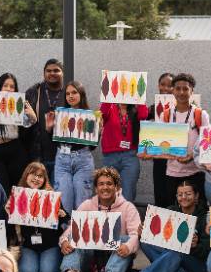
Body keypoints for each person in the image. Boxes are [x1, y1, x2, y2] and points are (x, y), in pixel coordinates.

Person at [55, 167, 141, 272]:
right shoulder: (87, 205)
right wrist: (63, 241)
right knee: (75, 236)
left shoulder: (128, 207)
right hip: (91, 256)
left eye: (109, 183)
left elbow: (135, 235)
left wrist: (128, 246)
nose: (105, 187)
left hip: (116, 254)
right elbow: (72, 228)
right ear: (96, 188)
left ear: (116, 187)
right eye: (101, 184)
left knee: (126, 239)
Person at [124, 179, 209, 272]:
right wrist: (144, 231)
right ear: (176, 197)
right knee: (145, 241)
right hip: (173, 256)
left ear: (196, 196)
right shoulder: (170, 212)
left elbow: (206, 251)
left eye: (188, 194)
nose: (183, 197)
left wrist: (195, 246)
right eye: (180, 194)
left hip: (196, 265)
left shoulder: (204, 217)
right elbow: (159, 238)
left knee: (177, 249)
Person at [0, 73, 37, 195]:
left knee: (19, 191)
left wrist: (32, 119)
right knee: (0, 190)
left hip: (15, 150)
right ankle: (2, 215)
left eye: (12, 86)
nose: (9, 89)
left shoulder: (18, 103)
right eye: (5, 85)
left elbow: (26, 132)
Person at [156, 73, 208, 199]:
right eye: (178, 88)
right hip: (172, 172)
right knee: (175, 211)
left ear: (192, 91)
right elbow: (161, 143)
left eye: (185, 88)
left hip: (196, 171)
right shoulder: (166, 115)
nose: (181, 92)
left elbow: (207, 142)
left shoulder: (200, 114)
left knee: (196, 210)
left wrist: (192, 156)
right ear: (173, 91)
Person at [12, 162, 63, 272]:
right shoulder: (18, 195)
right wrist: (8, 211)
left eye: (40, 176)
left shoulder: (51, 196)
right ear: (26, 175)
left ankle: (47, 265)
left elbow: (64, 220)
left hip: (50, 245)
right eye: (33, 174)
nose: (36, 178)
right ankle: (36, 265)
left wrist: (61, 214)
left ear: (45, 179)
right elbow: (11, 227)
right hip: (29, 246)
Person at [52, 81, 98, 213]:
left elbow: (92, 147)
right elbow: (56, 141)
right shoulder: (60, 115)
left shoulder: (90, 116)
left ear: (81, 94)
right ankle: (66, 232)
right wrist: (50, 129)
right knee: (64, 200)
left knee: (82, 202)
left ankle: (80, 233)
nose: (70, 96)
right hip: (62, 159)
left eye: (74, 92)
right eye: (67, 94)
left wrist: (97, 132)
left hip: (83, 160)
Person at [99, 99, 149, 204]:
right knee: (107, 194)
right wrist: (111, 93)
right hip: (110, 157)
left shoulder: (135, 110)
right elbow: (102, 112)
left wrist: (138, 97)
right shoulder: (111, 107)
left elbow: (144, 115)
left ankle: (126, 219)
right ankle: (109, 219)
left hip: (130, 156)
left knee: (128, 194)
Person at [23, 59, 67, 178]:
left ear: (63, 73)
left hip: (63, 157)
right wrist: (32, 119)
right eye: (48, 71)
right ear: (44, 73)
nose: (52, 73)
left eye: (56, 70)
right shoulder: (33, 92)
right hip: (37, 156)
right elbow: (22, 125)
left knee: (59, 194)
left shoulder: (70, 93)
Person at [149, 72, 174, 208]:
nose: (165, 88)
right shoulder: (153, 108)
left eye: (170, 85)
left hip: (177, 158)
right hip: (159, 158)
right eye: (163, 84)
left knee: (173, 193)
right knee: (160, 192)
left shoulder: (184, 108)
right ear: (158, 86)